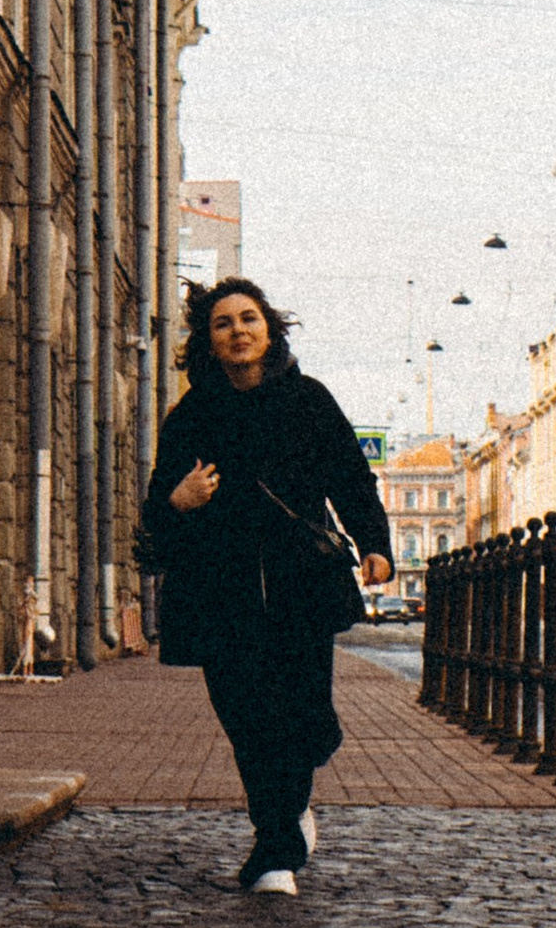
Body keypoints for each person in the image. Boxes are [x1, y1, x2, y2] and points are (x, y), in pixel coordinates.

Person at [137, 277, 393, 894]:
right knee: (249, 718)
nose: (238, 331)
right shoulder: (192, 415)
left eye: (248, 318)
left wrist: (375, 543)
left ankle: (282, 831)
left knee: (300, 714)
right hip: (218, 590)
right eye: (223, 323)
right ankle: (278, 836)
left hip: (299, 583)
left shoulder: (309, 400)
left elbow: (351, 477)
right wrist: (180, 498)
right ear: (209, 340)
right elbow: (156, 509)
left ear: (270, 328)